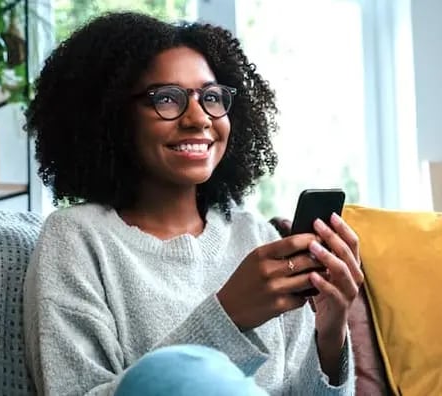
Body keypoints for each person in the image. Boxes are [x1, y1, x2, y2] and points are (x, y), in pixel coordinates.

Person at [23, 11, 363, 396]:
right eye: (167, 98)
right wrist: (229, 315)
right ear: (111, 115)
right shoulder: (76, 239)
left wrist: (331, 334)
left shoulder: (256, 236)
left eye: (212, 97)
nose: (199, 118)